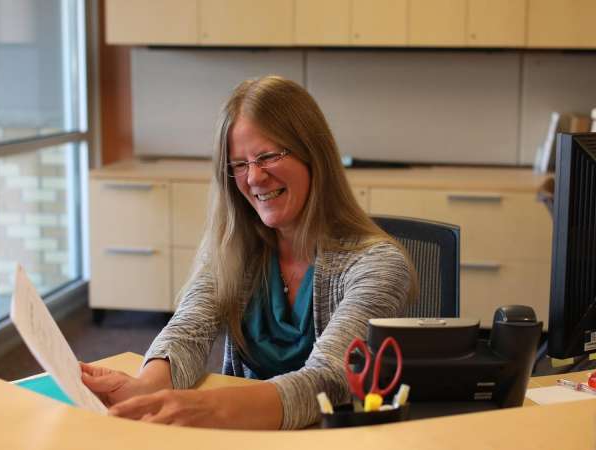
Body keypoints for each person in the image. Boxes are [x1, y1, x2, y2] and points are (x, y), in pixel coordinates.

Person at [81, 75, 415, 430]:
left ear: (312, 155)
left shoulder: (379, 265)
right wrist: (143, 390)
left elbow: (330, 381)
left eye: (268, 156)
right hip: (246, 435)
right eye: (239, 164)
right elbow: (188, 331)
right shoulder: (235, 250)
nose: (254, 177)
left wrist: (200, 408)